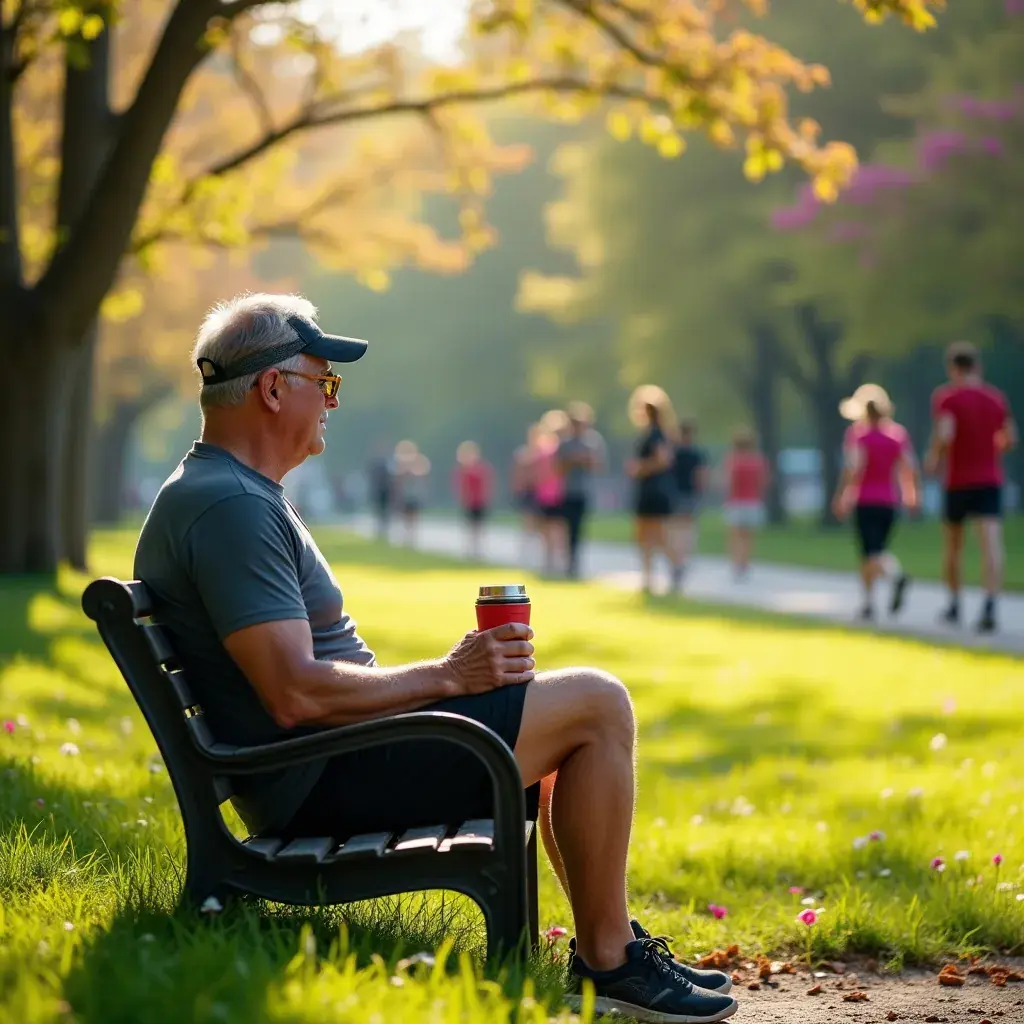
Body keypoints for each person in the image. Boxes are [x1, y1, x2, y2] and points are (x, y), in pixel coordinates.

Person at [134, 292, 739, 1024]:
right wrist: (451, 677)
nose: (332, 402)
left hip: (333, 760)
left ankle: (606, 948)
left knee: (564, 713)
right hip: (321, 780)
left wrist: (453, 684)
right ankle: (608, 962)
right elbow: (294, 694)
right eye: (324, 383)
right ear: (271, 388)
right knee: (596, 703)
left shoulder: (231, 493)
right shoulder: (230, 506)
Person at [925, 341, 1017, 633]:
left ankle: (954, 604)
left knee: (954, 546)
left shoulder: (946, 398)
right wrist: (989, 448)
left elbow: (945, 433)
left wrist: (934, 459)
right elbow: (1010, 438)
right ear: (977, 366)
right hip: (989, 479)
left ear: (953, 368)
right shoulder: (995, 398)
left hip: (958, 480)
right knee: (991, 543)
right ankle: (990, 604)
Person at [833, 384, 919, 621]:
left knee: (870, 553)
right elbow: (908, 467)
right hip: (890, 502)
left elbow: (853, 467)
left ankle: (894, 577)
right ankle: (869, 603)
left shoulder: (858, 435)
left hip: (865, 500)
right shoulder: (897, 435)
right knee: (874, 551)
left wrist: (841, 495)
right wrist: (911, 494)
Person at [626, 385, 683, 595]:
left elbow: (663, 461)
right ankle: (650, 576)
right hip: (650, 489)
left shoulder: (656, 435)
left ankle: (672, 567)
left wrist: (641, 467)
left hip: (654, 490)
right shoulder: (658, 434)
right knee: (647, 535)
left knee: (655, 534)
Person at [557, 401, 607, 579]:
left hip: (584, 491)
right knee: (567, 528)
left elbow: (598, 465)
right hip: (568, 491)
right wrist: (572, 460)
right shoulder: (565, 444)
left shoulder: (593, 442)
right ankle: (569, 561)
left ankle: (576, 562)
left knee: (579, 527)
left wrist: (583, 460)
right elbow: (558, 468)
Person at [722, 428, 768, 580]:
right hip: (753, 501)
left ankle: (736, 563)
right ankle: (745, 563)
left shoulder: (733, 460)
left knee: (735, 535)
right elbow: (763, 482)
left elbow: (729, 482)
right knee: (748, 536)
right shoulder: (757, 461)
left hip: (736, 501)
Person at [533, 410, 570, 576]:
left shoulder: (559, 449)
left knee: (557, 530)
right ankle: (550, 562)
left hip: (557, 494)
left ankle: (557, 562)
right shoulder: (545, 448)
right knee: (548, 530)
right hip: (545, 494)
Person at [671, 419, 708, 581]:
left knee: (675, 530)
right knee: (688, 529)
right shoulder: (696, 454)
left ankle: (677, 560)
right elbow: (700, 477)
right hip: (689, 495)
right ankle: (683, 558)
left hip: (675, 495)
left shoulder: (673, 453)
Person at [452, 440, 494, 561]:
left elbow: (487, 485)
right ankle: (469, 551)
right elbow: (460, 487)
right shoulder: (462, 470)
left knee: (479, 527)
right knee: (469, 527)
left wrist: (486, 498)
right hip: (469, 503)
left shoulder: (482, 468)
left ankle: (479, 550)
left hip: (480, 502)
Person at [511, 424, 543, 563]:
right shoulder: (523, 452)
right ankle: (526, 552)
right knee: (528, 522)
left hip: (541, 492)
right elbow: (518, 473)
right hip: (527, 492)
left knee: (542, 524)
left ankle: (539, 553)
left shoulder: (543, 453)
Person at [392, 439, 431, 548]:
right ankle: (407, 537)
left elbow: (424, 476)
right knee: (406, 518)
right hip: (406, 496)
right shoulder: (400, 465)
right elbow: (397, 482)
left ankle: (412, 537)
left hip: (415, 495)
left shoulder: (420, 462)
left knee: (414, 517)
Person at [366, 442, 394, 541]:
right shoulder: (376, 464)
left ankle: (385, 530)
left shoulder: (388, 463)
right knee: (379, 511)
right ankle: (380, 531)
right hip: (378, 490)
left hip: (385, 490)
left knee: (385, 511)